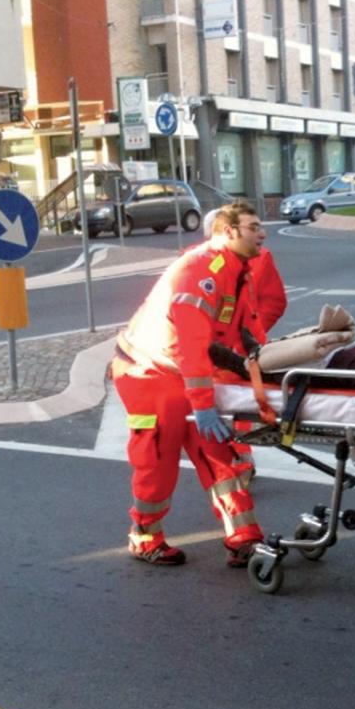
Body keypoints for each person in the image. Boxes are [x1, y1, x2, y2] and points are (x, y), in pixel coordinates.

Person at [111, 201, 268, 567]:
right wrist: (202, 403)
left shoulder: (237, 270)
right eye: (254, 227)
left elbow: (246, 330)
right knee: (158, 457)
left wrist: (263, 368)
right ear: (229, 232)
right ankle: (144, 537)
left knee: (219, 453)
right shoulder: (202, 270)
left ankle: (243, 536)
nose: (262, 234)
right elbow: (190, 343)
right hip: (148, 372)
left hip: (186, 372)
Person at [203, 206, 287, 481]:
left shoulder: (259, 258)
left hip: (238, 347)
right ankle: (233, 460)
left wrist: (249, 332)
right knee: (221, 404)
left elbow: (274, 301)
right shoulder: (197, 262)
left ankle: (239, 460)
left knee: (234, 405)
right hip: (211, 348)